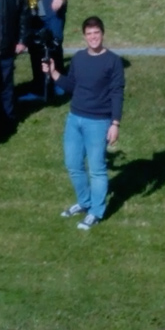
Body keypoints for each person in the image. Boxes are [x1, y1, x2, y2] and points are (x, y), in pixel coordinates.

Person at [56, 16, 123, 230]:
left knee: (97, 170)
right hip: (74, 118)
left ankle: (96, 211)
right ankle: (85, 203)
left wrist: (115, 123)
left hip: (99, 122)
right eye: (89, 34)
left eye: (96, 33)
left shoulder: (113, 61)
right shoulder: (78, 58)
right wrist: (53, 73)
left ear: (102, 34)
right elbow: (71, 86)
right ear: (84, 36)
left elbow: (117, 93)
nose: (93, 37)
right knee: (73, 165)